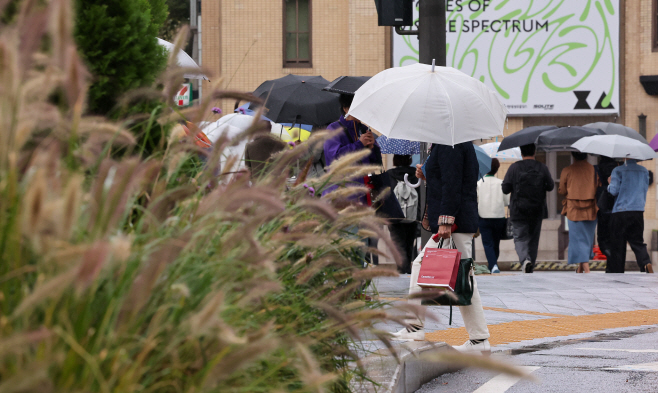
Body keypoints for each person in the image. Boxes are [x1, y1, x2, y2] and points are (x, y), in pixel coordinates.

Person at [392, 143, 491, 354]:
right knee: (459, 275)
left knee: (463, 277)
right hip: (459, 221)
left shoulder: (451, 142)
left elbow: (453, 183)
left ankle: (478, 339)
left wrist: (446, 219)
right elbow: (450, 177)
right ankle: (417, 327)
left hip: (455, 222)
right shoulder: (452, 142)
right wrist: (427, 174)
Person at [502, 143, 554, 273]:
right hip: (537, 210)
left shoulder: (514, 167)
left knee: (520, 238)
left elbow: (505, 188)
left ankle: (525, 260)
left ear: (521, 152)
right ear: (534, 152)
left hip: (518, 210)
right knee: (533, 239)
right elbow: (551, 186)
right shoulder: (542, 167)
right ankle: (531, 264)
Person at [607, 159, 653, 273]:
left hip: (620, 211)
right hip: (637, 211)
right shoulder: (644, 171)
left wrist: (609, 183)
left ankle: (617, 271)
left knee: (618, 244)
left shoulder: (618, 170)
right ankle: (645, 262)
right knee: (637, 241)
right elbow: (645, 188)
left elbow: (613, 191)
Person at [558, 152, 599, 273]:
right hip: (591, 208)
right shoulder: (593, 170)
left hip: (573, 209)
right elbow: (598, 186)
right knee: (587, 238)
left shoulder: (567, 170)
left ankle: (586, 269)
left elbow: (562, 189)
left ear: (573, 156)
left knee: (576, 238)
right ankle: (580, 269)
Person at [387, 154, 420, 274]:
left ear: (395, 160)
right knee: (409, 241)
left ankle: (401, 268)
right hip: (413, 214)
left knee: (397, 242)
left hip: (394, 214)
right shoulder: (415, 173)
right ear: (409, 160)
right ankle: (408, 268)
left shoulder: (389, 174)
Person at [477, 158, 509, 274]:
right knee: (496, 242)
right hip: (499, 216)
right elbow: (506, 201)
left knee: (487, 243)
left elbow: (476, 200)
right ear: (497, 169)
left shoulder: (479, 183)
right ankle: (494, 263)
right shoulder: (501, 183)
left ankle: (493, 264)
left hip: (483, 216)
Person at [595, 156, 620, 262]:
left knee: (602, 238)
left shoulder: (596, 169)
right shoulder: (618, 169)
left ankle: (609, 257)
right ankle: (614, 260)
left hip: (602, 203)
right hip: (616, 205)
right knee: (615, 237)